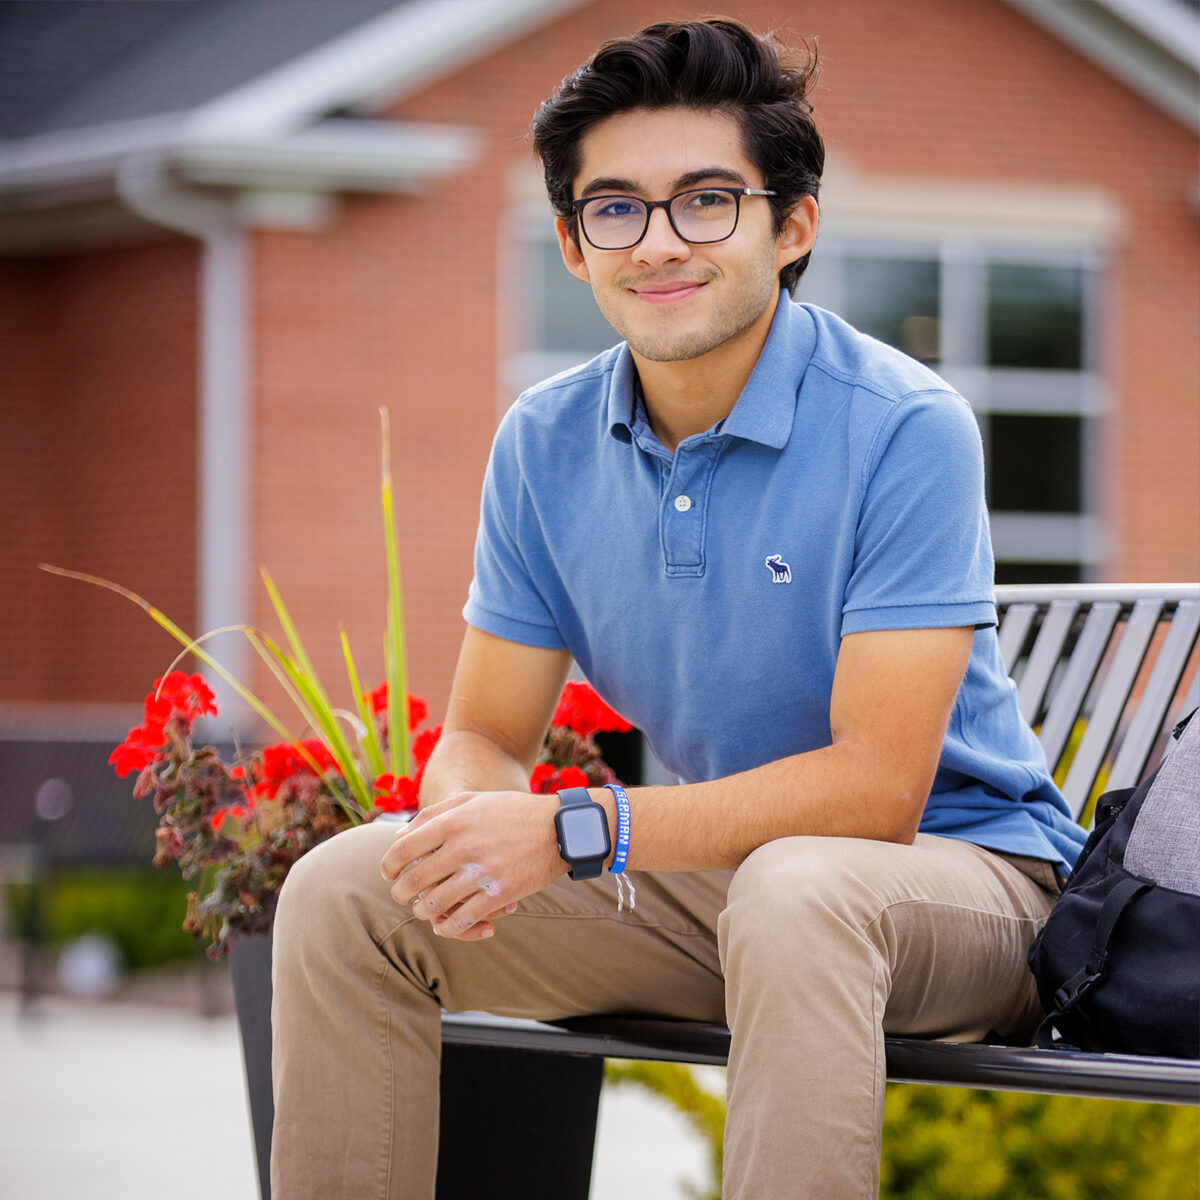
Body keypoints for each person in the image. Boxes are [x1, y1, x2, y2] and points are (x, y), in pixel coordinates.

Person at [270, 19, 1087, 1199]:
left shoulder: (905, 426)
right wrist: (471, 839)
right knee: (347, 892)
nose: (659, 243)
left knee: (801, 888)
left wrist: (566, 834)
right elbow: (485, 739)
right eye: (617, 208)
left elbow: (876, 787)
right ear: (571, 240)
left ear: (790, 224)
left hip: (957, 887)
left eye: (707, 200)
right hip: (724, 892)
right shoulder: (544, 441)